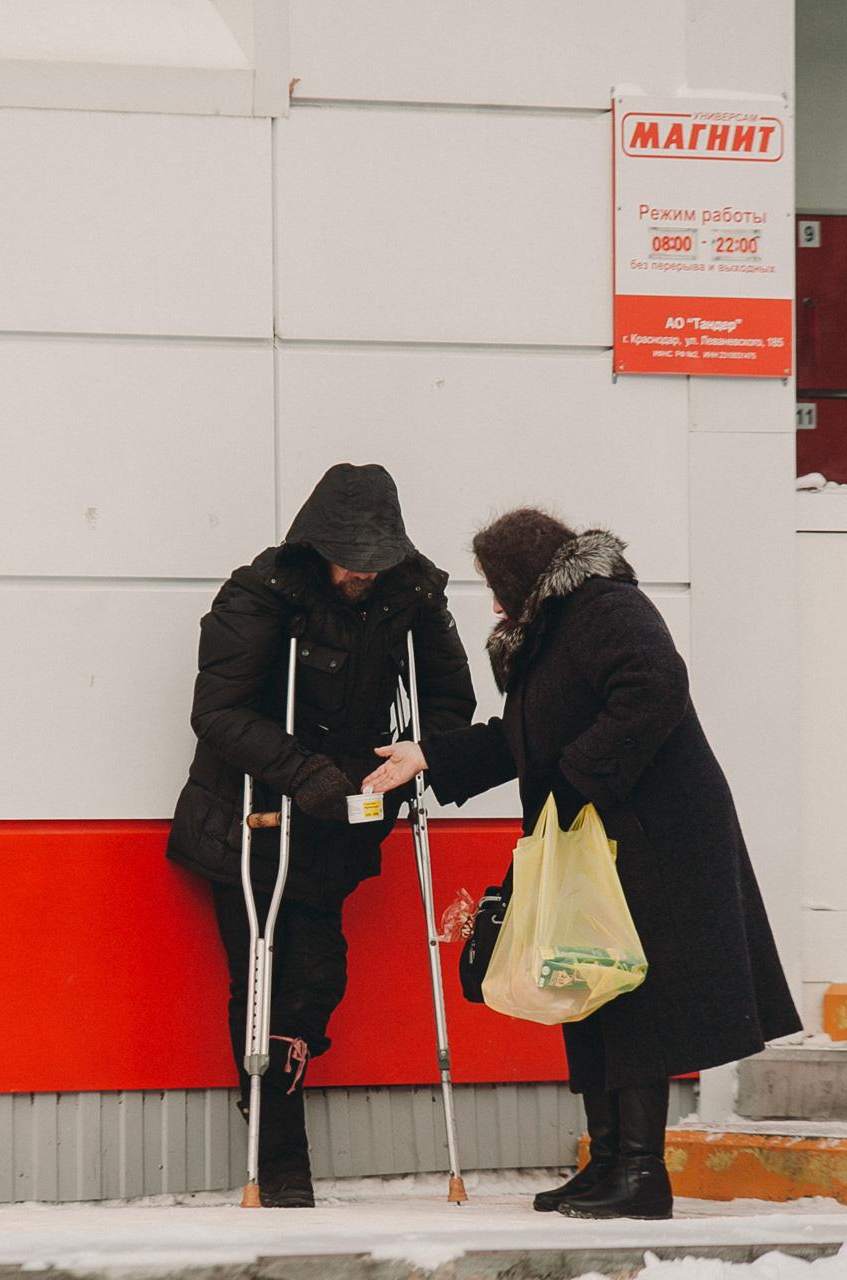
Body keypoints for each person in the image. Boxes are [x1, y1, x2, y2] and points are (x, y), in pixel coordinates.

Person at [364, 507, 801, 1221]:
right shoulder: (550, 634)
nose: (495, 600)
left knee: (631, 993)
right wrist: (431, 755)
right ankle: (607, 1165)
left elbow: (655, 686)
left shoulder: (606, 609)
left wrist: (578, 778)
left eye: (496, 583)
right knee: (588, 981)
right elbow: (523, 736)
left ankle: (641, 1174)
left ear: (525, 574)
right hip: (596, 830)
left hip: (652, 832)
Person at [167, 462, 475, 1208]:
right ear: (316, 545)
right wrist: (304, 774)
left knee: (315, 975)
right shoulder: (262, 594)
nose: (359, 573)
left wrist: (413, 757)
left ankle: (281, 1109)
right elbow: (219, 710)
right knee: (263, 981)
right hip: (252, 818)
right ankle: (281, 1166)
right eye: (347, 558)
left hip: (341, 824)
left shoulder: (413, 594)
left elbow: (449, 698)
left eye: (372, 560)